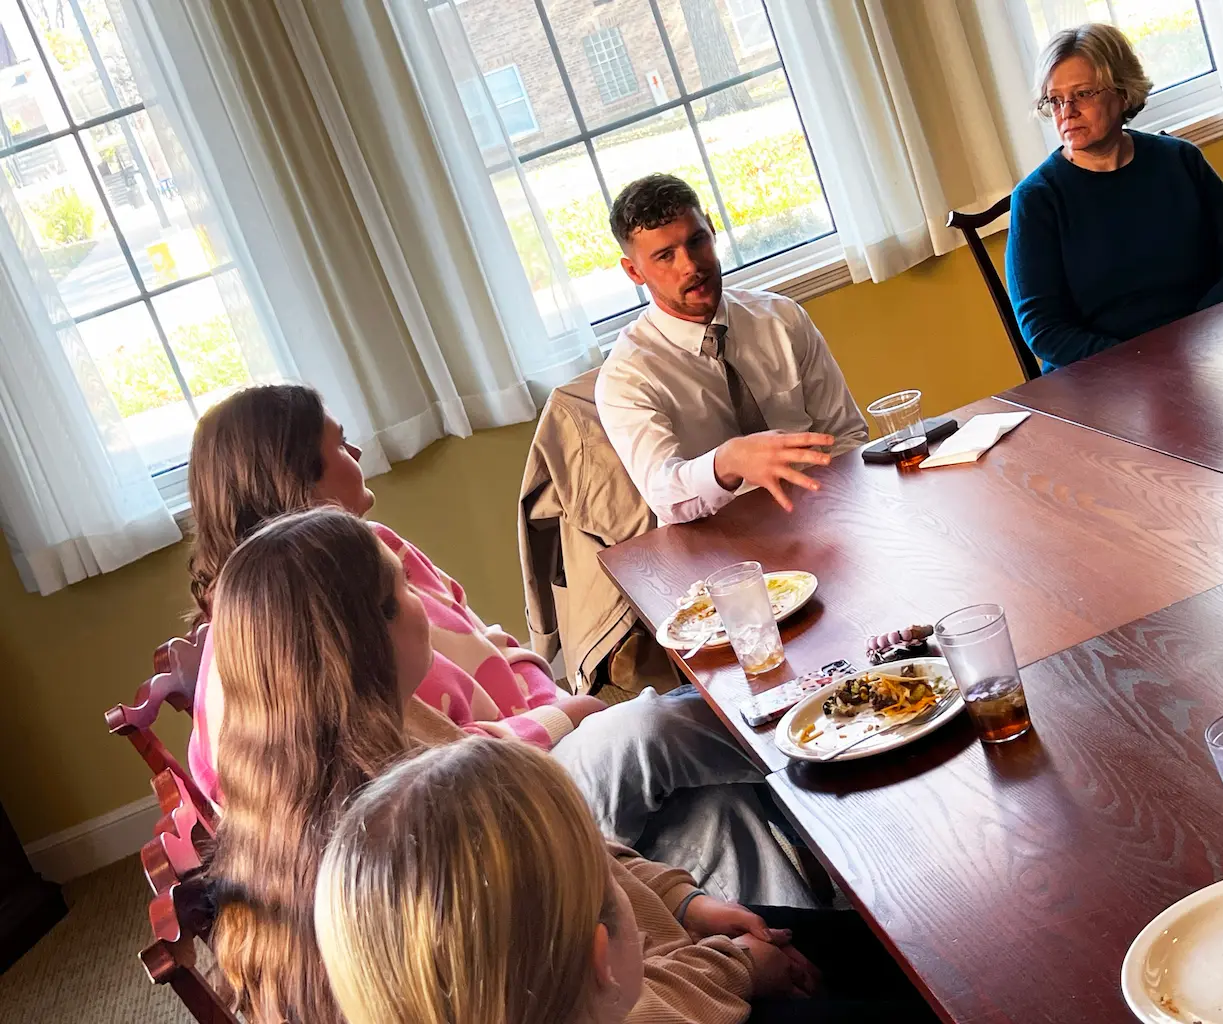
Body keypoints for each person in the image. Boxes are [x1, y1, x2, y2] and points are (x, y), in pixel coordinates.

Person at [185, 384, 811, 907]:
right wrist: (561, 718)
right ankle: (807, 722)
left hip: (536, 750)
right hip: (489, 815)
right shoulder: (298, 632)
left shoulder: (375, 546)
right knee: (650, 728)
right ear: (299, 478)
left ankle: (811, 948)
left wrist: (555, 705)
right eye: (339, 444)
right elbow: (418, 777)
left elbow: (495, 642)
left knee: (709, 810)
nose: (356, 450)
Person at [314, 737, 930, 1024]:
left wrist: (684, 903)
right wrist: (735, 966)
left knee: (872, 946)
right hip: (700, 984)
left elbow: (608, 860)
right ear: (601, 956)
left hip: (695, 968)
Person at [596, 174, 868, 526]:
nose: (691, 266)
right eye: (665, 256)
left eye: (697, 241)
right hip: (718, 543)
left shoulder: (781, 318)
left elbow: (846, 434)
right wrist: (727, 460)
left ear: (712, 229)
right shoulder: (627, 376)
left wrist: (845, 514)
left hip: (824, 512)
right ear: (634, 271)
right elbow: (663, 494)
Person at [1005, 23, 1223, 373]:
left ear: (1123, 92)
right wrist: (1141, 361)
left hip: (1208, 353)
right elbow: (1042, 327)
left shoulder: (1180, 160)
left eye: (1083, 94)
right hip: (1102, 377)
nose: (1066, 111)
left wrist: (1196, 339)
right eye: (1055, 100)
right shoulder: (1037, 199)